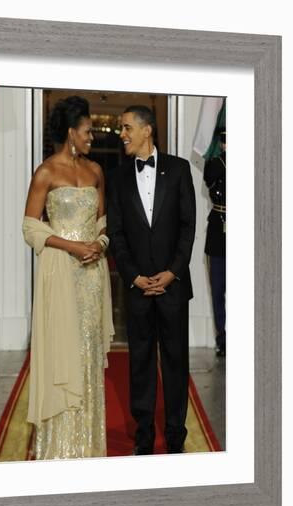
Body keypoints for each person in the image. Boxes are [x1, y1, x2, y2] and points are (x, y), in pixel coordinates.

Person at [22, 96, 114, 460]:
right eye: (88, 131)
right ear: (71, 132)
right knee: (62, 348)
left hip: (92, 276)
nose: (93, 137)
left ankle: (87, 444)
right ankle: (59, 447)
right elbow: (30, 228)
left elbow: (104, 222)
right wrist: (72, 247)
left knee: (87, 350)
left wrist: (100, 244)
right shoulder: (46, 172)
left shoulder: (95, 172)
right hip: (60, 272)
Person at [107, 105, 196, 455]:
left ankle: (176, 438)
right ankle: (143, 437)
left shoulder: (179, 169)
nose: (123, 134)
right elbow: (116, 234)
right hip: (138, 289)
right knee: (140, 364)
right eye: (121, 128)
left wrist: (172, 272)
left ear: (147, 130)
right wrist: (134, 277)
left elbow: (188, 226)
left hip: (173, 287)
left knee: (175, 363)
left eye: (127, 127)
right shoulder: (116, 177)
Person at [204, 128, 226, 357]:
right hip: (219, 229)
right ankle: (223, 337)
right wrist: (226, 155)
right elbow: (210, 176)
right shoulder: (215, 164)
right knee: (218, 288)